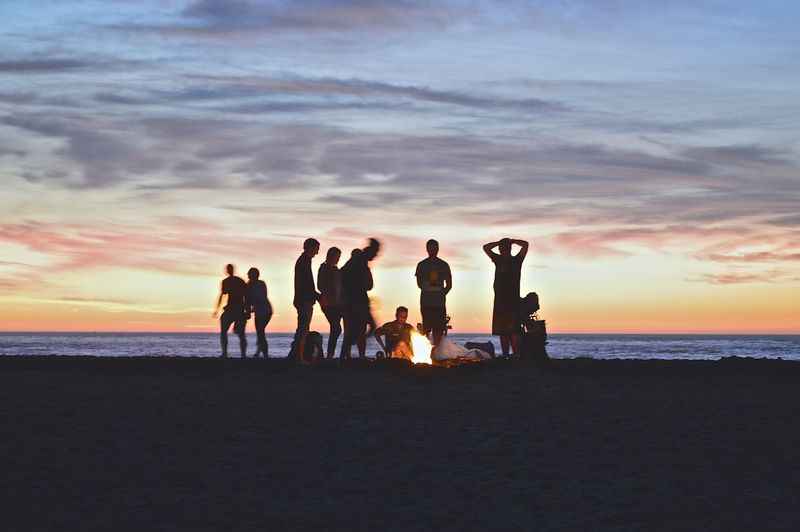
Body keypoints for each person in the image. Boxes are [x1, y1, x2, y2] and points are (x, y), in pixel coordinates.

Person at [483, 238, 529, 357]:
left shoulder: (517, 260)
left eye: (503, 248)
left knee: (514, 331)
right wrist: (499, 242)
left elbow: (525, 245)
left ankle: (516, 354)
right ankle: (505, 355)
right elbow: (486, 247)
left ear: (508, 249)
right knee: (502, 331)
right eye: (501, 248)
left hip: (513, 300)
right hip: (500, 301)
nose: (501, 250)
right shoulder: (498, 260)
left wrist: (512, 241)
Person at [340, 238, 380, 359]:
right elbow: (368, 284)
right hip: (355, 301)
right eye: (376, 252)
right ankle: (350, 355)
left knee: (358, 329)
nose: (376, 256)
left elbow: (368, 285)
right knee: (359, 329)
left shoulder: (359, 262)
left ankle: (350, 354)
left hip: (356, 300)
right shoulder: (360, 260)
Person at [415, 239, 452, 347]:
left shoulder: (444, 265)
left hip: (439, 303)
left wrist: (441, 294)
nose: (432, 250)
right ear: (427, 249)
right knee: (426, 328)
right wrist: (430, 289)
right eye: (430, 248)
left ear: (438, 249)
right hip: (426, 302)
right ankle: (427, 351)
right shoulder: (421, 265)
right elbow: (419, 284)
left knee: (438, 329)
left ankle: (437, 352)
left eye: (434, 248)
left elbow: (449, 285)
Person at [292, 238, 321, 364]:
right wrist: (316, 296)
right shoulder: (304, 261)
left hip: (304, 299)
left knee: (303, 328)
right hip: (304, 300)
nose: (317, 252)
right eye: (316, 249)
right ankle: (299, 357)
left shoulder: (304, 260)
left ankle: (297, 355)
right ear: (310, 247)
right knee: (303, 329)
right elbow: (306, 283)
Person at [212, 264, 248, 358]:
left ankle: (241, 354)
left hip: (238, 309)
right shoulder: (228, 281)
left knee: (240, 333)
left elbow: (246, 296)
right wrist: (217, 309)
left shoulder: (238, 281)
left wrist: (247, 310)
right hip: (232, 309)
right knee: (225, 332)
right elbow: (222, 295)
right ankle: (226, 353)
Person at [317, 247, 343, 359]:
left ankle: (330, 355)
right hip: (328, 303)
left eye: (338, 257)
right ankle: (329, 355)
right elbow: (320, 286)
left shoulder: (336, 270)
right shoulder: (324, 268)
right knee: (336, 328)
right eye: (336, 257)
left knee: (336, 328)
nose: (337, 259)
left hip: (337, 303)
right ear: (330, 256)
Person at [246, 267, 272, 358]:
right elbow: (248, 300)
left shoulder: (261, 284)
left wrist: (250, 309)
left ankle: (265, 354)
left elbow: (262, 297)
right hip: (258, 312)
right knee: (260, 332)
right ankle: (259, 351)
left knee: (260, 332)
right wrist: (249, 310)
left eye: (249, 274)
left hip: (266, 311)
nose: (248, 276)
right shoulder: (248, 285)